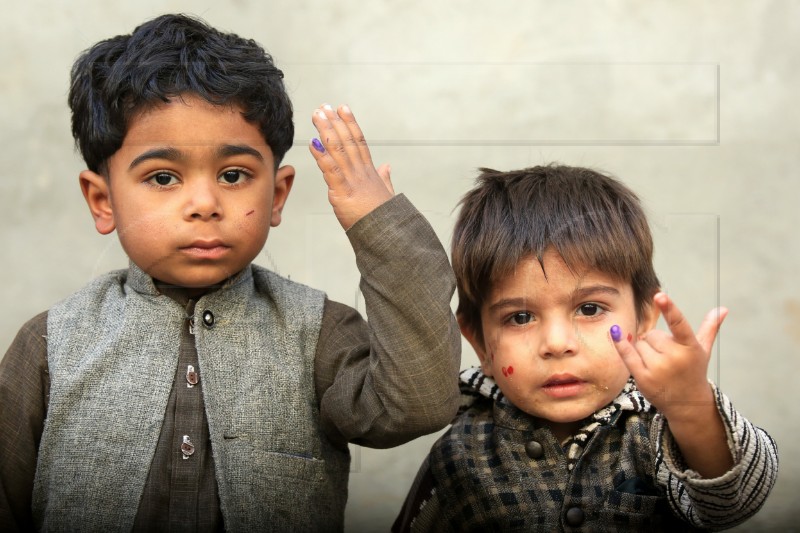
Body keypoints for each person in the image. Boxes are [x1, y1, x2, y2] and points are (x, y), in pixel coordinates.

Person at [0, 14, 461, 532]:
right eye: (163, 177)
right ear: (102, 200)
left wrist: (378, 227)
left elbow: (420, 404)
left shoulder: (318, 333)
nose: (204, 203)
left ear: (277, 195)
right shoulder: (50, 344)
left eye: (233, 175)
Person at [393, 165, 778, 532]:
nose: (557, 344)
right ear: (480, 342)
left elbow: (734, 501)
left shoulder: (658, 426)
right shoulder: (461, 452)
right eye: (521, 317)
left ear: (644, 318)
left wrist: (690, 406)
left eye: (589, 309)